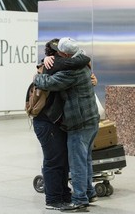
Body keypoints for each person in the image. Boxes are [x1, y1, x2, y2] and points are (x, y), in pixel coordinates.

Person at [33, 37, 100, 211]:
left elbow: (49, 82)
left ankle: (79, 198)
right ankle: (86, 192)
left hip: (80, 122)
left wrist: (37, 76)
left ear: (64, 54)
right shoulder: (83, 61)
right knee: (83, 160)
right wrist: (43, 63)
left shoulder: (71, 70)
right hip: (90, 120)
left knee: (77, 162)